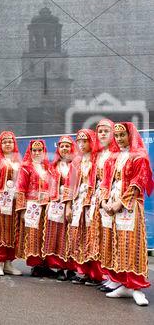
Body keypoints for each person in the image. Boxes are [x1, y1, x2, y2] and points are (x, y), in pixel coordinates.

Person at [100, 122, 153, 306]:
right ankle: (123, 284)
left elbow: (137, 184)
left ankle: (136, 288)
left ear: (130, 135)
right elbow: (105, 182)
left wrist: (118, 204)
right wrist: (105, 201)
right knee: (116, 244)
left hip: (129, 207)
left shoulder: (139, 157)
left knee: (131, 246)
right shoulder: (112, 158)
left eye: (123, 135)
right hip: (112, 206)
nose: (119, 139)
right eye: (117, 135)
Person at [67, 129, 102, 285]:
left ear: (91, 141)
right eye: (79, 141)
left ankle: (95, 274)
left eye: (85, 140)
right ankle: (82, 271)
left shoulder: (98, 159)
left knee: (92, 236)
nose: (81, 144)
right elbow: (70, 184)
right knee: (77, 236)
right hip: (78, 202)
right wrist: (68, 206)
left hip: (93, 202)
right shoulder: (76, 161)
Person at [15, 140, 52, 277]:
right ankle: (36, 265)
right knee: (33, 235)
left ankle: (45, 264)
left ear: (44, 151)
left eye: (39, 150)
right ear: (30, 152)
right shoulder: (26, 167)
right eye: (34, 150)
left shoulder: (48, 167)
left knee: (45, 235)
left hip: (46, 206)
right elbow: (20, 188)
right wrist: (22, 209)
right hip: (32, 205)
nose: (37, 153)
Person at [0, 131, 23, 276]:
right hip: (1, 201)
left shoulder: (18, 160)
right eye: (5, 142)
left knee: (12, 232)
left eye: (10, 141)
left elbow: (22, 182)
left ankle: (9, 263)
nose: (8, 144)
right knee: (0, 232)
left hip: (13, 201)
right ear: (0, 144)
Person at [42, 136, 76, 281]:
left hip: (72, 205)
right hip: (55, 204)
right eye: (62, 146)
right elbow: (45, 185)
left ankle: (71, 268)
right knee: (57, 236)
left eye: (67, 146)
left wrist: (69, 203)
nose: (64, 149)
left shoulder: (76, 166)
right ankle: (60, 267)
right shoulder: (52, 167)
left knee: (71, 236)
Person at [93, 119, 120, 292]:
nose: (102, 134)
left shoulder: (117, 154)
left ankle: (118, 278)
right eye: (100, 131)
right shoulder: (98, 154)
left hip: (113, 200)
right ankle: (109, 276)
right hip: (100, 200)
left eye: (106, 131)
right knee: (104, 238)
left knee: (114, 238)